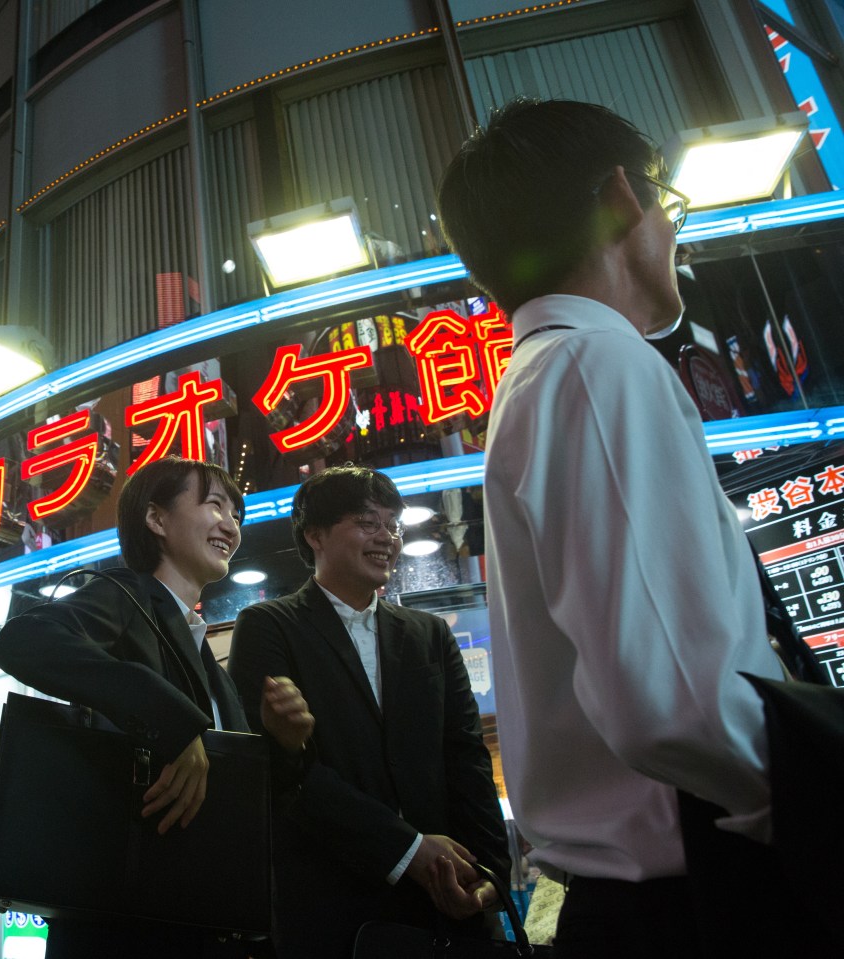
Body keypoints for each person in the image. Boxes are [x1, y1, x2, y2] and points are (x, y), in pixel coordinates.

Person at [435, 97, 834, 956]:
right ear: (623, 196)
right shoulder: (595, 362)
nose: (674, 234)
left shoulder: (547, 372)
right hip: (703, 893)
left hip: (650, 896)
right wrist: (806, 806)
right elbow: (675, 700)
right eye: (670, 204)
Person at [0, 455, 314, 958]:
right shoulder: (125, 595)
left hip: (200, 918)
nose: (230, 524)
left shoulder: (205, 655)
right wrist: (167, 717)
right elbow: (24, 639)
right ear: (156, 519)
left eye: (237, 514)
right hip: (123, 923)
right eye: (214, 505)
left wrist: (285, 745)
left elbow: (240, 801)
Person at [228, 466, 508, 958]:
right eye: (367, 522)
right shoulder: (268, 626)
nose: (388, 538)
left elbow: (466, 760)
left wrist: (489, 875)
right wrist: (410, 851)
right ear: (315, 534)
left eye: (393, 524)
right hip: (337, 912)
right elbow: (287, 776)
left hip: (449, 910)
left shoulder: (429, 635)